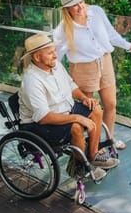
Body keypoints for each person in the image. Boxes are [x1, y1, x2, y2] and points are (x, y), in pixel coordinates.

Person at [18, 33, 119, 178]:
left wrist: (84, 98)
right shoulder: (32, 81)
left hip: (65, 110)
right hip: (40, 125)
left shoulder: (55, 65)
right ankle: (80, 168)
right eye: (50, 53)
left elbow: (71, 85)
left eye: (54, 51)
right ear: (37, 57)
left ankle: (93, 154)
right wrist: (77, 118)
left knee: (96, 109)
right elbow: (43, 117)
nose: (55, 55)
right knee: (76, 127)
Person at [53, 0, 131, 150]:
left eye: (81, 2)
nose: (80, 7)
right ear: (66, 9)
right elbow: (56, 55)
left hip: (105, 62)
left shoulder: (96, 12)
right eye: (74, 5)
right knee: (90, 111)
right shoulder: (64, 29)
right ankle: (91, 146)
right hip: (83, 69)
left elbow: (111, 33)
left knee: (111, 104)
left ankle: (108, 141)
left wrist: (127, 45)